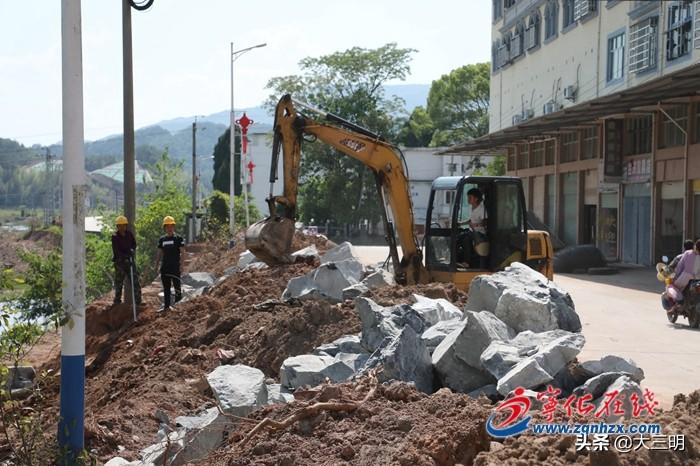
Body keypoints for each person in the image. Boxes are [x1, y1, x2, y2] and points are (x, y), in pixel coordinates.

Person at [156, 216, 186, 312]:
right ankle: (167, 307)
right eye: (167, 226)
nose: (169, 228)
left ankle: (178, 306)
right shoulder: (162, 240)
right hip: (165, 267)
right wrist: (156, 265)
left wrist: (182, 265)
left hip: (175, 267)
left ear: (174, 227)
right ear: (164, 228)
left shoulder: (178, 238)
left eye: (171, 226)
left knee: (177, 287)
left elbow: (183, 253)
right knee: (166, 288)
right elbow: (159, 253)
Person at [111, 215, 142, 306]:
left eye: (123, 225)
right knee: (119, 282)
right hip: (120, 263)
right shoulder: (115, 236)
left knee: (135, 281)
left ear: (126, 225)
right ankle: (117, 301)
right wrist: (124, 258)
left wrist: (132, 250)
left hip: (130, 261)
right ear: (117, 226)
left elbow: (134, 244)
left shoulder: (129, 234)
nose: (122, 227)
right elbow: (116, 251)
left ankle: (138, 301)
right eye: (120, 225)